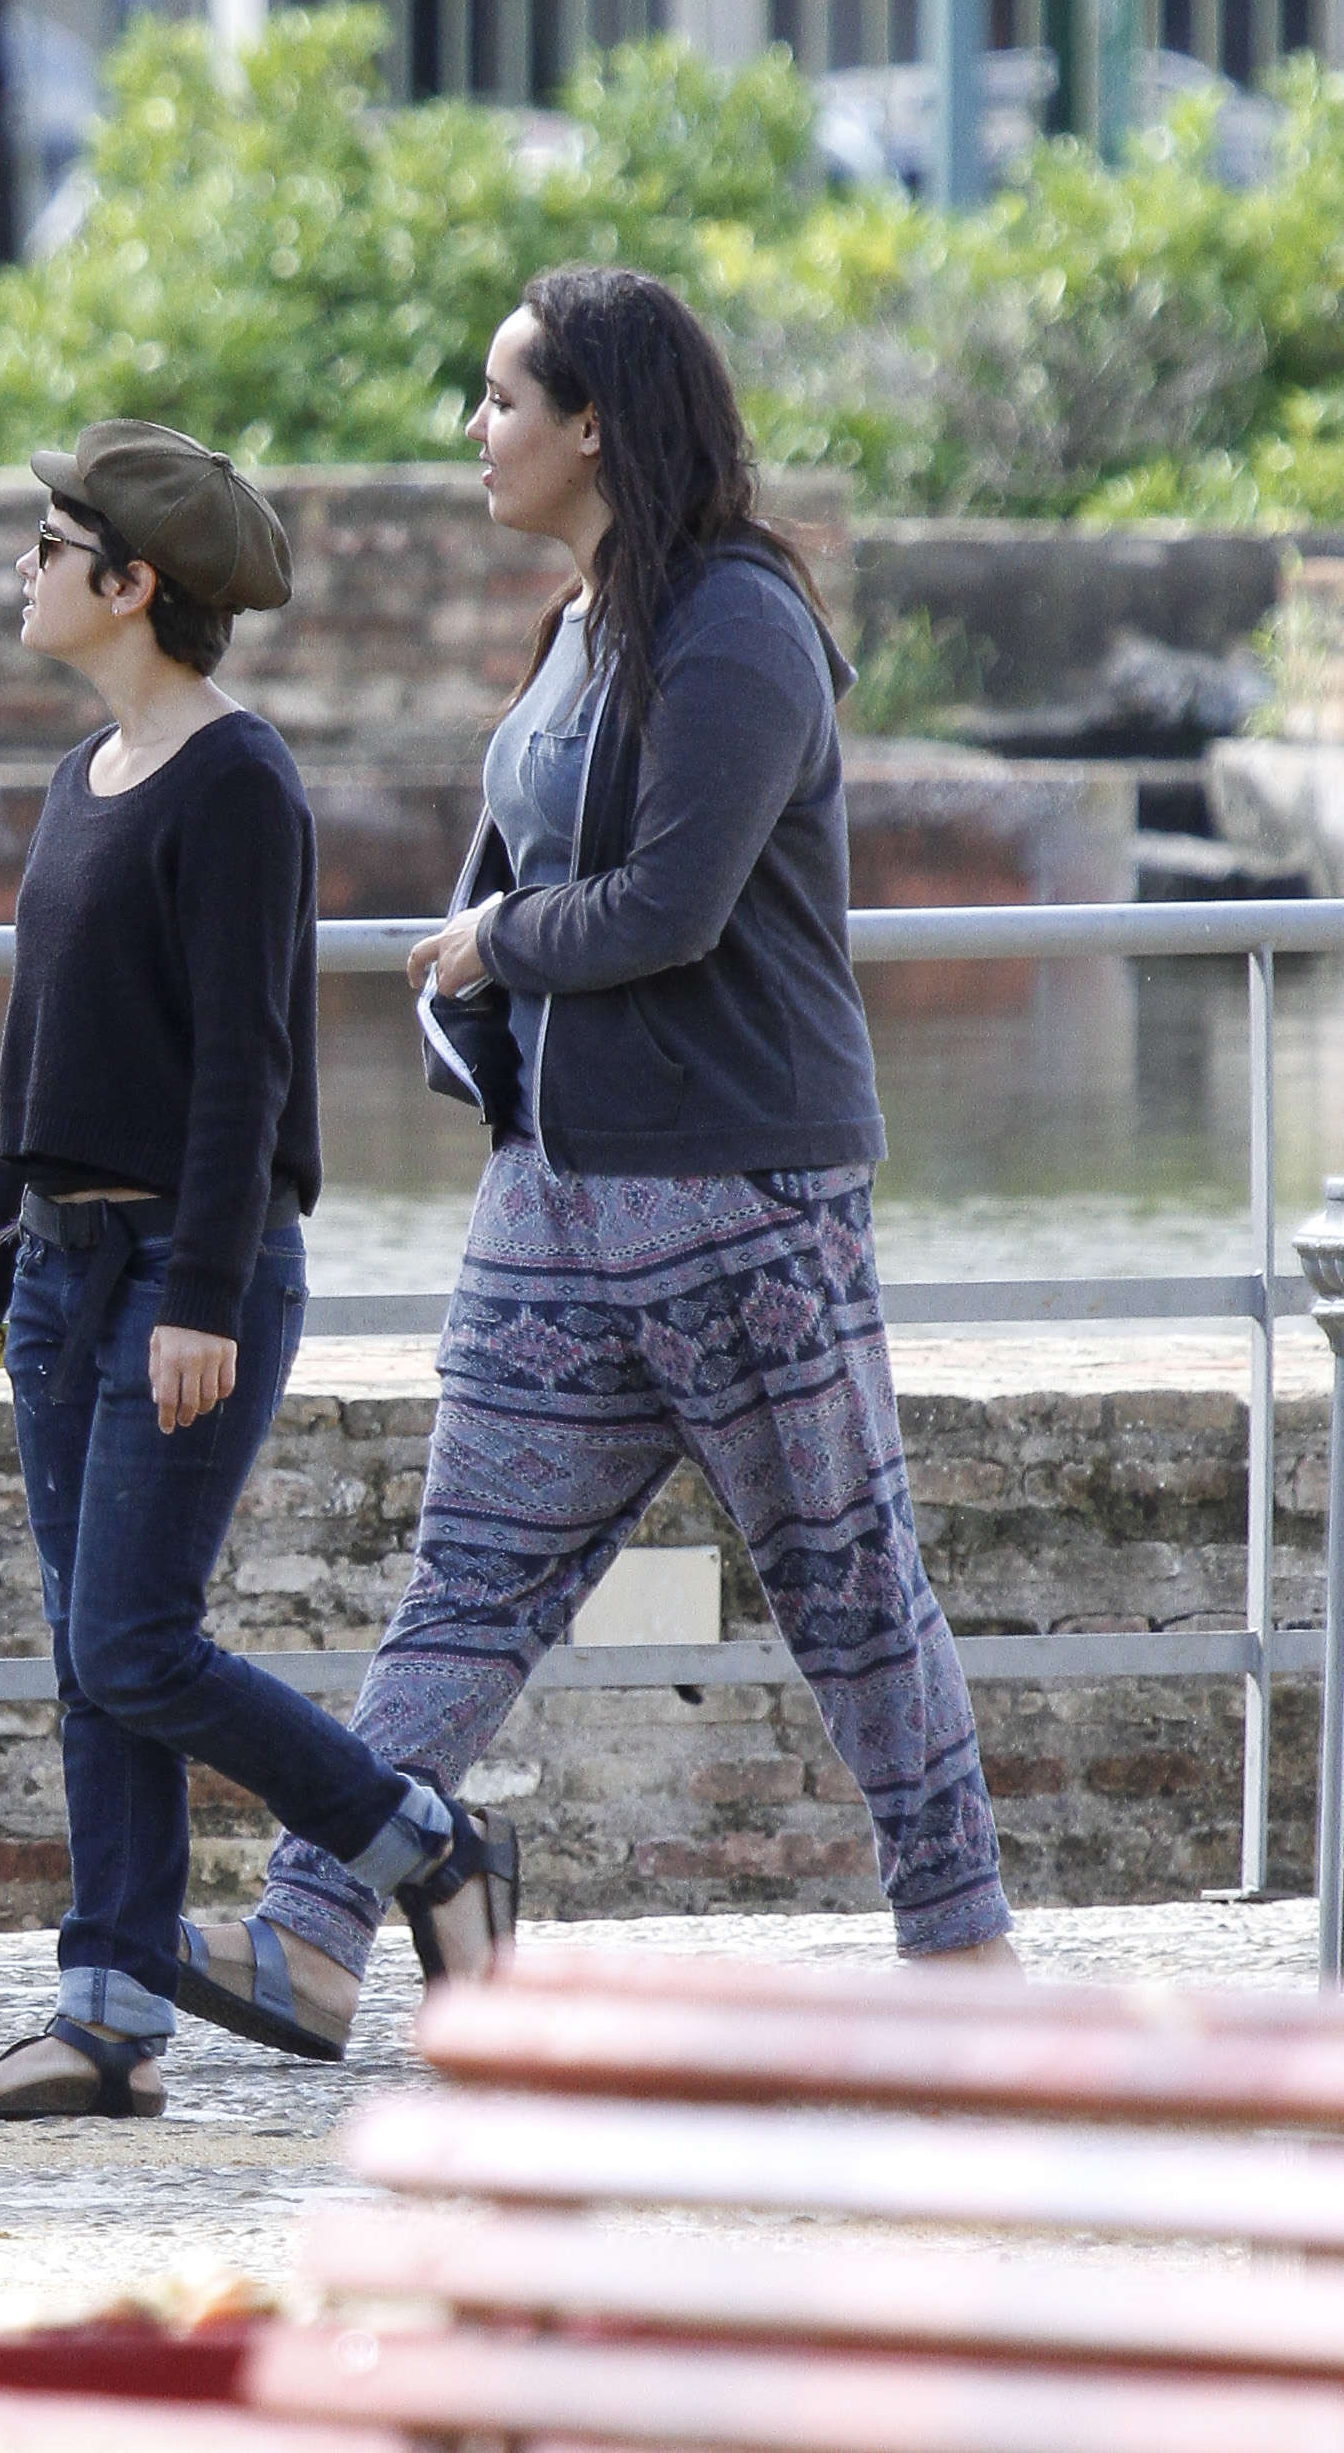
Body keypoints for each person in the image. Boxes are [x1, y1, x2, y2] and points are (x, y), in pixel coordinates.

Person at [177, 268, 1016, 2061]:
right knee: (465, 1585)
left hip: (742, 1197)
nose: (474, 430)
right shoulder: (580, 621)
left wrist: (494, 944)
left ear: (595, 424)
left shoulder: (740, 624)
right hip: (555, 1196)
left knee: (850, 1586)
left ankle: (965, 1966)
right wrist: (484, 969)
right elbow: (542, 857)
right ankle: (313, 1933)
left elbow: (671, 906)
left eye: (501, 398)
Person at [0, 419, 516, 2121]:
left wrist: (198, 1293)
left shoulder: (241, 780)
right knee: (85, 1653)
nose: (23, 566)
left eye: (47, 544)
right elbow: (42, 1068)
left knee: (134, 1640)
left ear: (130, 581)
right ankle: (105, 2018)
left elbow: (249, 1062)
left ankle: (426, 1844)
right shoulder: (77, 781)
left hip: (192, 1265)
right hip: (58, 1272)